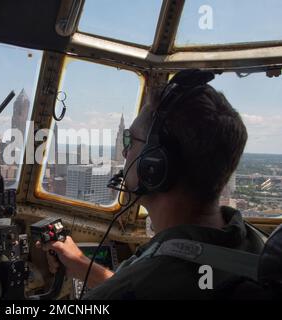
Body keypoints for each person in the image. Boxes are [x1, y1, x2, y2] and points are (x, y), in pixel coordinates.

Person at [37, 70, 266, 299]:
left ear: (154, 165)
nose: (125, 151)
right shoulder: (255, 246)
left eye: (131, 139)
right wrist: (85, 268)